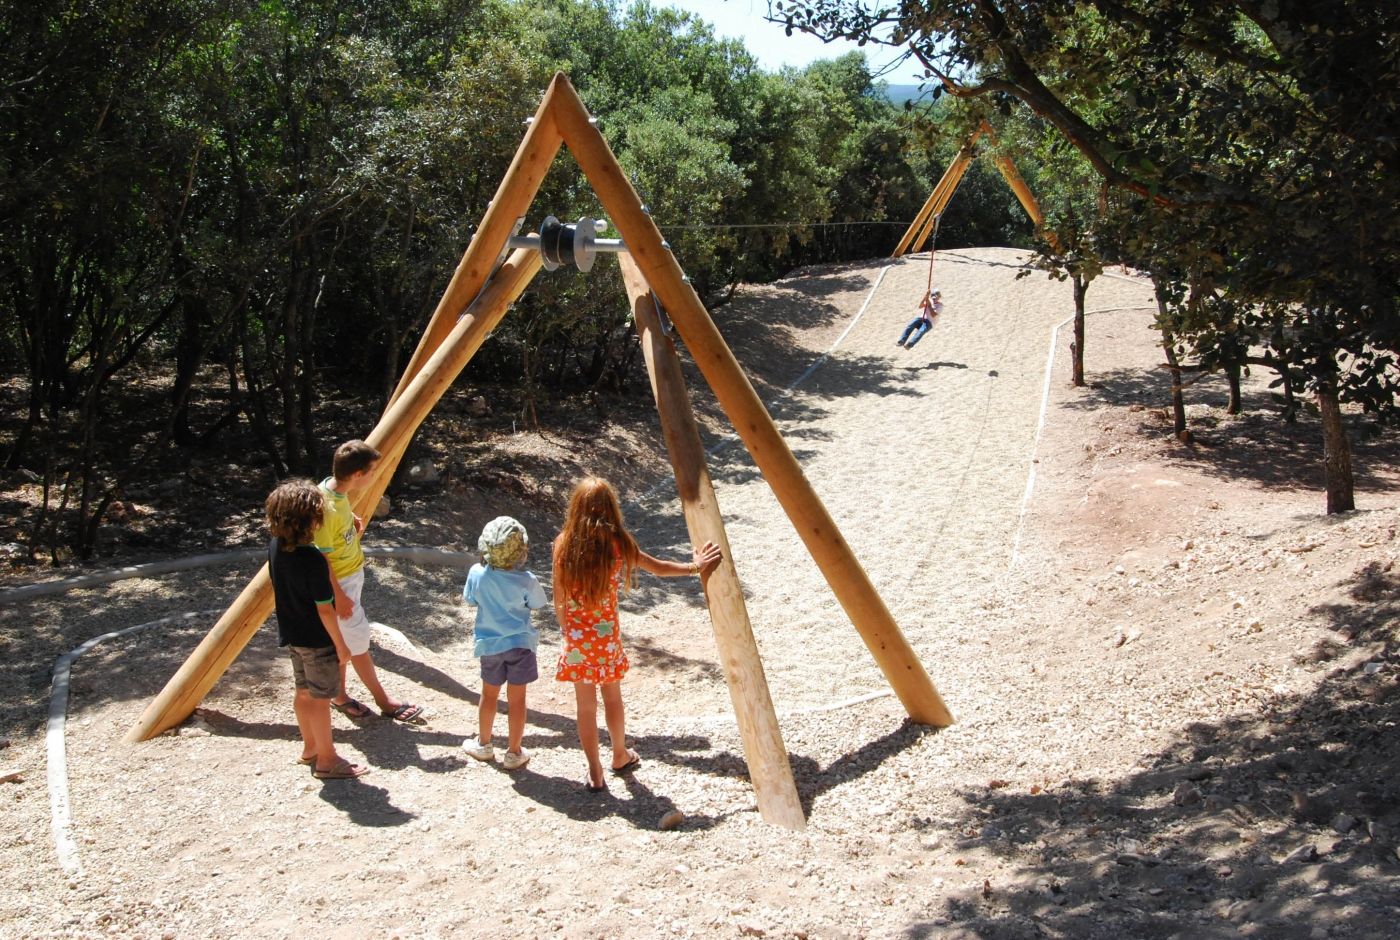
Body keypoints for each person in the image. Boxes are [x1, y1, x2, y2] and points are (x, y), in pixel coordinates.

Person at [552, 477, 722, 792]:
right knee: (613, 698)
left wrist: (569, 631)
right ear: (611, 509)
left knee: (585, 707)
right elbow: (657, 567)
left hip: (576, 640)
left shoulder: (564, 543)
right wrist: (694, 567)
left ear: (575, 508)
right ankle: (619, 754)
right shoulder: (619, 544)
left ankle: (595, 770)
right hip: (607, 638)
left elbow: (559, 597)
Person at [313, 439, 425, 724]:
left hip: (349, 578)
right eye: (372, 471)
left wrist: (349, 517)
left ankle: (339, 695)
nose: (374, 476)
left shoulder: (332, 490)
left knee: (345, 640)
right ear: (358, 475)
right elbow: (320, 557)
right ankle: (384, 701)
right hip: (340, 582)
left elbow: (335, 512)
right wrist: (338, 595)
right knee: (359, 645)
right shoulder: (325, 509)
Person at [265, 479, 369, 780]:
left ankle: (309, 747)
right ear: (311, 519)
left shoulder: (275, 546)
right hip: (317, 639)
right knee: (322, 698)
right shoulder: (313, 559)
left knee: (303, 692)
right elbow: (325, 607)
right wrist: (340, 645)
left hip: (293, 635)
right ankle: (327, 759)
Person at [461, 516, 548, 770]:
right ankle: (514, 752)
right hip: (521, 645)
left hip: (490, 645)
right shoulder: (527, 579)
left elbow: (470, 600)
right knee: (517, 700)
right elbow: (537, 604)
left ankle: (484, 744)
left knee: (489, 695)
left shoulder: (477, 574)